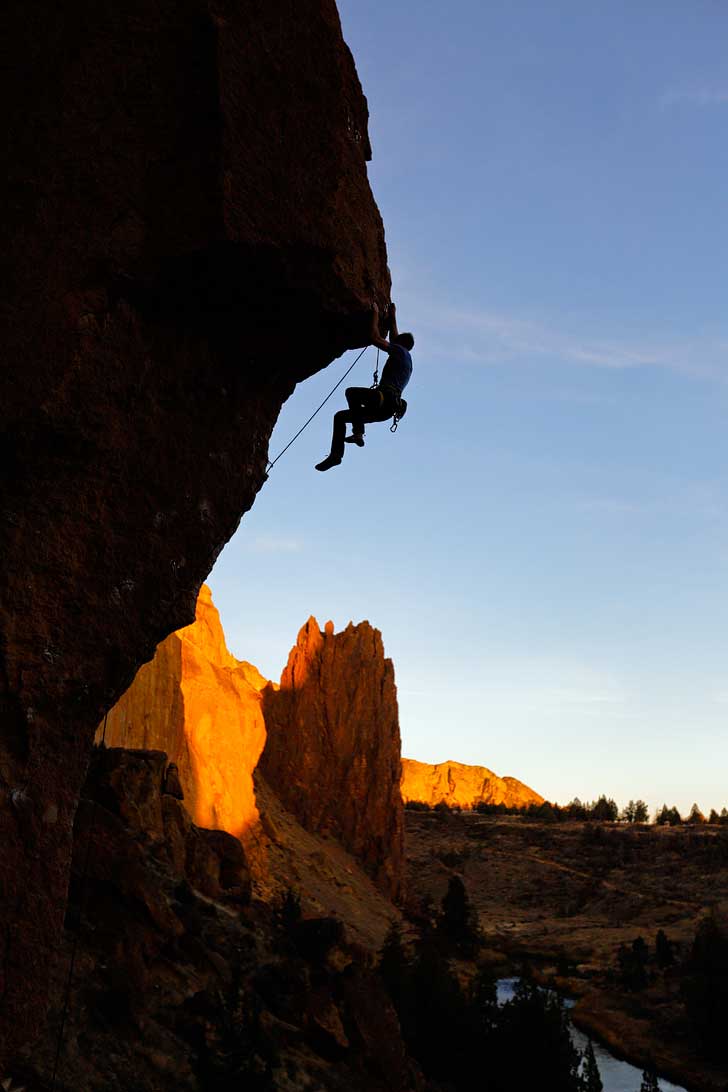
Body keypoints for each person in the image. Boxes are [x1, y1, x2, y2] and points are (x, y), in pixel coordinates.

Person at [315, 302, 414, 471]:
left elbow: (374, 338)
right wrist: (393, 315)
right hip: (387, 409)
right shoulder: (407, 358)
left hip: (383, 398)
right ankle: (336, 456)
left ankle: (358, 431)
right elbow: (394, 336)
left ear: (400, 344)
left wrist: (375, 314)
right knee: (340, 417)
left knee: (351, 393)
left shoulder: (399, 351)